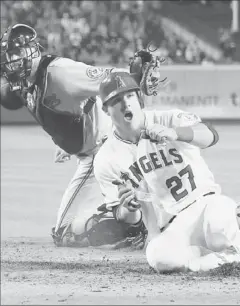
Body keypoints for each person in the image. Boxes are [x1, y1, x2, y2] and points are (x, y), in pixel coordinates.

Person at [0, 23, 150, 248]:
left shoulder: (59, 72)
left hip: (100, 151)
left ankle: (136, 225)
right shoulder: (26, 82)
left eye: (15, 54)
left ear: (32, 50)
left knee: (67, 233)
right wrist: (66, 139)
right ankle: (135, 218)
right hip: (90, 150)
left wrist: (136, 76)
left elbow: (108, 80)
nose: (11, 61)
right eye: (8, 56)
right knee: (71, 231)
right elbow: (9, 98)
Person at [94, 71, 240, 272]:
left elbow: (210, 135)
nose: (125, 104)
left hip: (205, 203)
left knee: (221, 221)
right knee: (159, 258)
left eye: (129, 96)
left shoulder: (168, 119)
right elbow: (129, 220)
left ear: (139, 98)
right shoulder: (106, 158)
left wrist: (176, 133)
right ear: (106, 109)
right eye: (116, 100)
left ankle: (233, 243)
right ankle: (235, 254)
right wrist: (129, 206)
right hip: (173, 227)